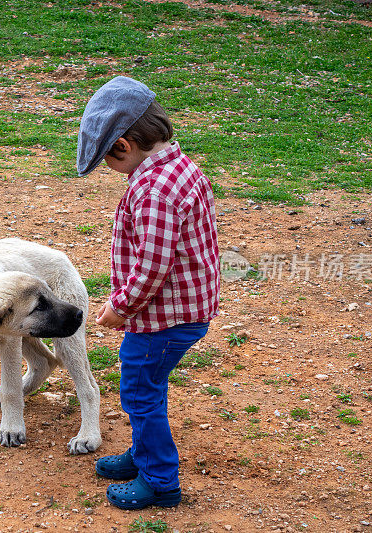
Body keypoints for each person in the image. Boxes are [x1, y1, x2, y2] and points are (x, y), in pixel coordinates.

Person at [77, 76, 220, 510]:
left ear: (123, 145)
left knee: (141, 392)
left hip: (164, 318)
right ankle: (142, 457)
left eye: (107, 158)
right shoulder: (179, 167)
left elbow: (153, 267)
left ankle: (160, 481)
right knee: (148, 388)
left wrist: (120, 307)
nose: (109, 167)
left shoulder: (154, 191)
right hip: (183, 308)